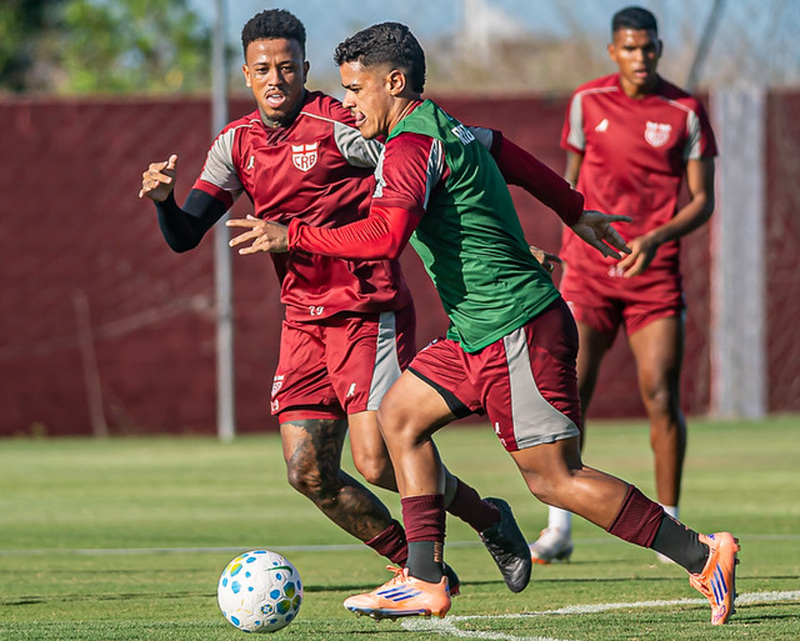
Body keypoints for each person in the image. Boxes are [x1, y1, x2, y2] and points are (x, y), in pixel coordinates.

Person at [227, 21, 739, 626]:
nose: (345, 104)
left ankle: (700, 552)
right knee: (400, 417)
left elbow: (386, 238)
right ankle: (423, 580)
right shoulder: (444, 124)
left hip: (516, 327)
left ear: (394, 84)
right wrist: (574, 211)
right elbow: (504, 150)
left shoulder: (411, 147)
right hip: (478, 331)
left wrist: (294, 234)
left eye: (355, 91)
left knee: (554, 480)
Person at [138, 8, 533, 595]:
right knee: (307, 471)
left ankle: (487, 518)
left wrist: (508, 241)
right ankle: (417, 566)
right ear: (246, 74)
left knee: (376, 463)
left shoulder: (340, 123)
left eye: (288, 67)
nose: (276, 79)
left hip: (365, 309)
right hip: (303, 320)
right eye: (263, 69)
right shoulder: (236, 143)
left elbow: (434, 162)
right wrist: (165, 201)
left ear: (304, 68)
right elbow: (184, 235)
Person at [529, 6, 718, 565]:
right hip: (588, 271)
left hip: (652, 274)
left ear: (659, 48)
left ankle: (672, 526)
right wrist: (569, 236)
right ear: (614, 51)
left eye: (649, 47)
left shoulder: (685, 109)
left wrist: (656, 238)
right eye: (630, 48)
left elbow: (703, 199)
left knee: (660, 393)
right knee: (570, 392)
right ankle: (558, 527)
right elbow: (568, 182)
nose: (641, 57)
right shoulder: (588, 102)